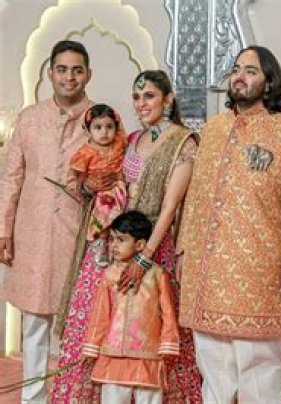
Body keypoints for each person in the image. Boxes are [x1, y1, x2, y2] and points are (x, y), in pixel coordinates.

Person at [51, 70, 202, 402]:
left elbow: (170, 207)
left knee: (149, 329)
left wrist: (144, 258)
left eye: (149, 96)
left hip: (153, 248)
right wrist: (90, 187)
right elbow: (111, 185)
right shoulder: (132, 139)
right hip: (116, 244)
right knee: (98, 322)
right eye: (136, 97)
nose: (141, 103)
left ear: (168, 99)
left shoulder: (183, 142)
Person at [177, 45, 281, 403]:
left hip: (258, 269)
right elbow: (196, 196)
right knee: (213, 366)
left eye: (251, 71)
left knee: (260, 368)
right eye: (237, 69)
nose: (240, 76)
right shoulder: (214, 129)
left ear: (270, 82)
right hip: (208, 269)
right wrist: (184, 250)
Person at [0, 39, 93, 403]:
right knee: (35, 324)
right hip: (33, 233)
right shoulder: (29, 119)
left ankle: (74, 397)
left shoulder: (100, 119)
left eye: (77, 70)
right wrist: (3, 230)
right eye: (62, 69)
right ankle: (33, 398)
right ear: (50, 73)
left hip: (80, 235)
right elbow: (11, 179)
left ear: (88, 74)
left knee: (79, 324)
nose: (69, 77)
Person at [82, 210, 179, 404]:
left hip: (147, 354)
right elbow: (101, 314)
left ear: (140, 245)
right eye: (112, 239)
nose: (113, 245)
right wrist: (92, 347)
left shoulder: (157, 275)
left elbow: (168, 313)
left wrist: (168, 343)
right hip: (113, 354)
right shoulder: (109, 275)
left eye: (121, 240)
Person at [68, 103, 127, 264]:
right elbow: (73, 177)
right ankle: (100, 242)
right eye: (98, 127)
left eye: (109, 127)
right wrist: (83, 185)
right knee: (104, 207)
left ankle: (118, 244)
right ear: (88, 131)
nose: (104, 132)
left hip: (121, 187)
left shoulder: (120, 143)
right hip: (100, 193)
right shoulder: (85, 152)